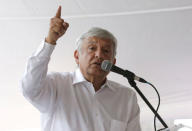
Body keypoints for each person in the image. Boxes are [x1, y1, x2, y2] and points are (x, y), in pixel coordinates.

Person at [20, 6, 141, 131]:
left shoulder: (126, 97)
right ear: (77, 56)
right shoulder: (56, 84)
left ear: (113, 62)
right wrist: (50, 41)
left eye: (105, 51)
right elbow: (29, 88)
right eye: (92, 48)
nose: (99, 55)